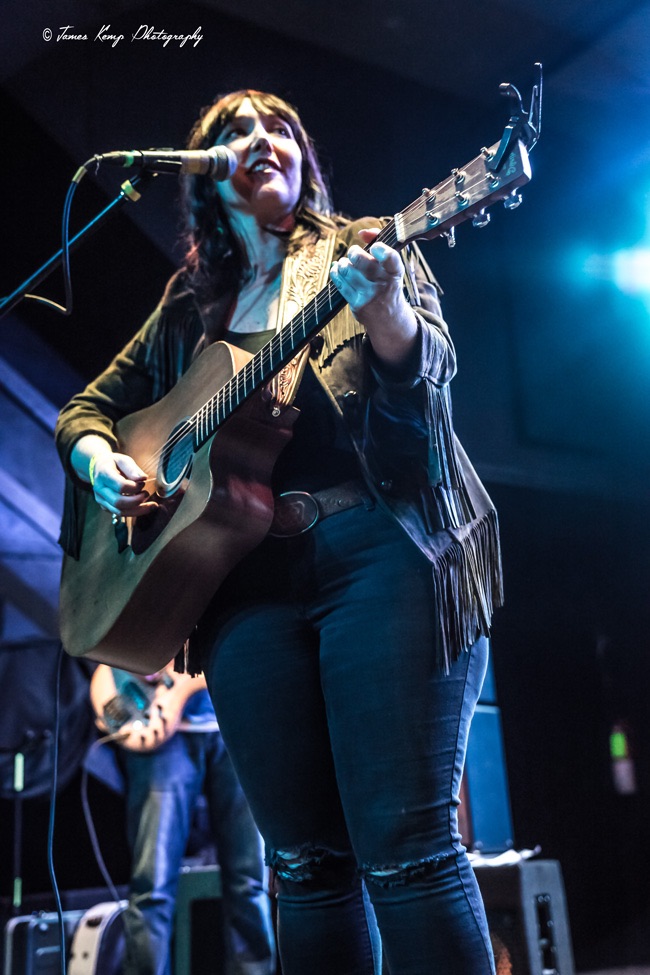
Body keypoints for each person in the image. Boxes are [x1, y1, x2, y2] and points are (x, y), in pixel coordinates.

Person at [55, 89, 504, 975]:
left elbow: (428, 407)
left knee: (408, 852)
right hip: (244, 590)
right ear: (207, 178)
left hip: (376, 553)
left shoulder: (361, 246)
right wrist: (104, 464)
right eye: (235, 130)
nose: (261, 138)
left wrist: (384, 315)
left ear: (303, 161)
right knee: (301, 865)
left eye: (280, 127)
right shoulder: (189, 307)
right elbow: (85, 410)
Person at [93, 663, 277, 975]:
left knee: (250, 882)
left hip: (234, 717)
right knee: (152, 884)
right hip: (161, 723)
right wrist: (142, 663)